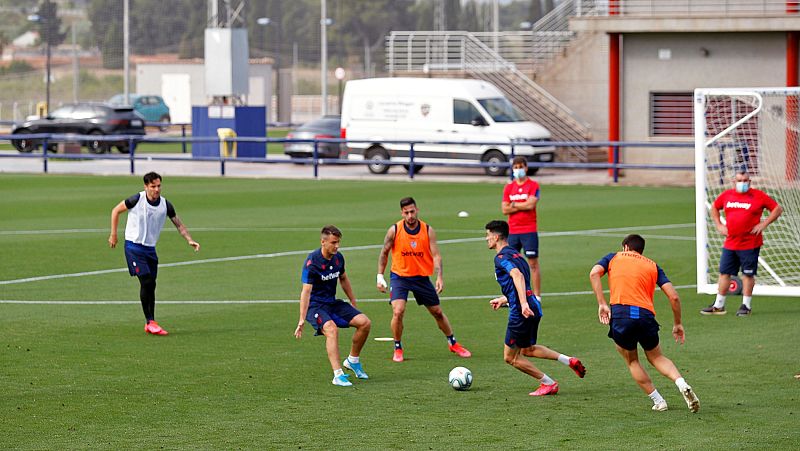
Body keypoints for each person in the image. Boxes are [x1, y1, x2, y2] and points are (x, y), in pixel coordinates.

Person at [589, 234, 699, 412]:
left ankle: (659, 401)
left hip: (621, 315)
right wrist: (677, 323)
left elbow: (594, 273)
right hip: (646, 316)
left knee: (632, 360)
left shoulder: (613, 257)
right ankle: (681, 383)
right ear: (641, 251)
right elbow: (674, 297)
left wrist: (602, 303)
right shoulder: (653, 265)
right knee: (656, 357)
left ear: (625, 247)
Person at [485, 220, 586, 396]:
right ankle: (568, 360)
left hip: (521, 311)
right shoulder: (518, 255)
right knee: (527, 349)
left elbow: (517, 276)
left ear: (495, 236)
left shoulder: (501, 258)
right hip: (534, 307)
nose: (486, 239)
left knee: (510, 357)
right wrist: (505, 299)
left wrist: (522, 304)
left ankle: (548, 383)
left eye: (487, 236)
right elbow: (521, 282)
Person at [377, 197, 471, 362]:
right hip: (400, 277)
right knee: (398, 311)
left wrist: (440, 276)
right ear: (402, 213)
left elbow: (436, 255)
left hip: (421, 277)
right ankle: (398, 347)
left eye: (412, 211)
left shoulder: (428, 230)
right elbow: (384, 252)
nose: (410, 215)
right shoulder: (394, 230)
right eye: (406, 212)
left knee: (437, 312)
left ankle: (453, 343)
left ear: (417, 210)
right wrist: (380, 276)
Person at [108, 172, 200, 335]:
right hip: (133, 247)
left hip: (150, 250)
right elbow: (115, 211)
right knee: (147, 281)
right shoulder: (137, 199)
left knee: (152, 285)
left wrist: (189, 239)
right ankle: (150, 321)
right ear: (146, 186)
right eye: (153, 186)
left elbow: (178, 224)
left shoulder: (165, 205)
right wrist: (113, 234)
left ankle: (151, 322)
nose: (157, 189)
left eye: (159, 186)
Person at [294, 225, 372, 387]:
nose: (337, 246)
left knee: (364, 323)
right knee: (331, 329)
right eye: (334, 242)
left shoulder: (338, 258)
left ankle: (353, 360)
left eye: (338, 242)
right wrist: (301, 319)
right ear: (323, 242)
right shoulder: (312, 262)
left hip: (332, 303)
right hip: (315, 307)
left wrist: (353, 301)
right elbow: (306, 292)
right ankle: (338, 375)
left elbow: (343, 278)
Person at [702, 170, 783, 316]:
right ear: (734, 182)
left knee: (747, 275)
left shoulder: (758, 196)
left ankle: (746, 305)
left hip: (750, 243)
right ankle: (718, 305)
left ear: (750, 182)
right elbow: (715, 207)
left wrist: (763, 224)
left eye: (745, 180)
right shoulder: (727, 195)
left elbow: (777, 209)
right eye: (740, 180)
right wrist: (719, 224)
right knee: (724, 273)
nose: (743, 183)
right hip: (730, 243)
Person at [501, 156, 542, 299]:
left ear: (526, 167)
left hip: (529, 230)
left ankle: (537, 296)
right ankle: (511, 296)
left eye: (521, 167)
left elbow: (531, 205)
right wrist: (521, 204)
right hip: (512, 231)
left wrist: (513, 205)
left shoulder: (533, 185)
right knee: (511, 264)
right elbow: (504, 209)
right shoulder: (509, 187)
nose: (518, 170)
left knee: (533, 263)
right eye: (515, 167)